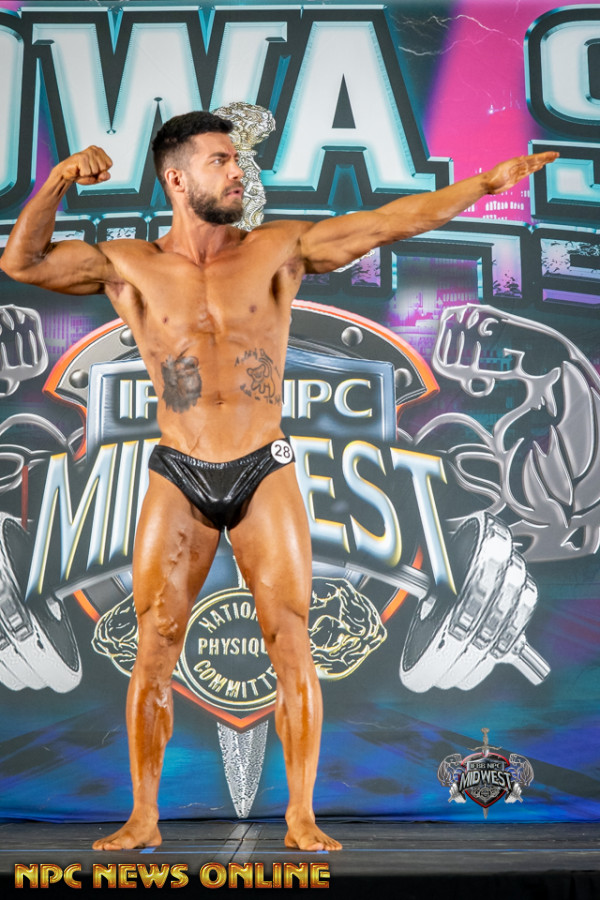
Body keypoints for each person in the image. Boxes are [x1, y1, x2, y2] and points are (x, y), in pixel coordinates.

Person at [0, 110, 557, 852]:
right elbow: (23, 263)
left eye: (239, 160)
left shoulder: (278, 249)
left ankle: (300, 814)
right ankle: (142, 816)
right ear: (176, 178)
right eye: (221, 160)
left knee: (290, 641)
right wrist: (59, 181)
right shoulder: (128, 263)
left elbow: (390, 221)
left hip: (264, 465)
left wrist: (485, 184)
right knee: (155, 644)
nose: (239, 172)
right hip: (178, 468)